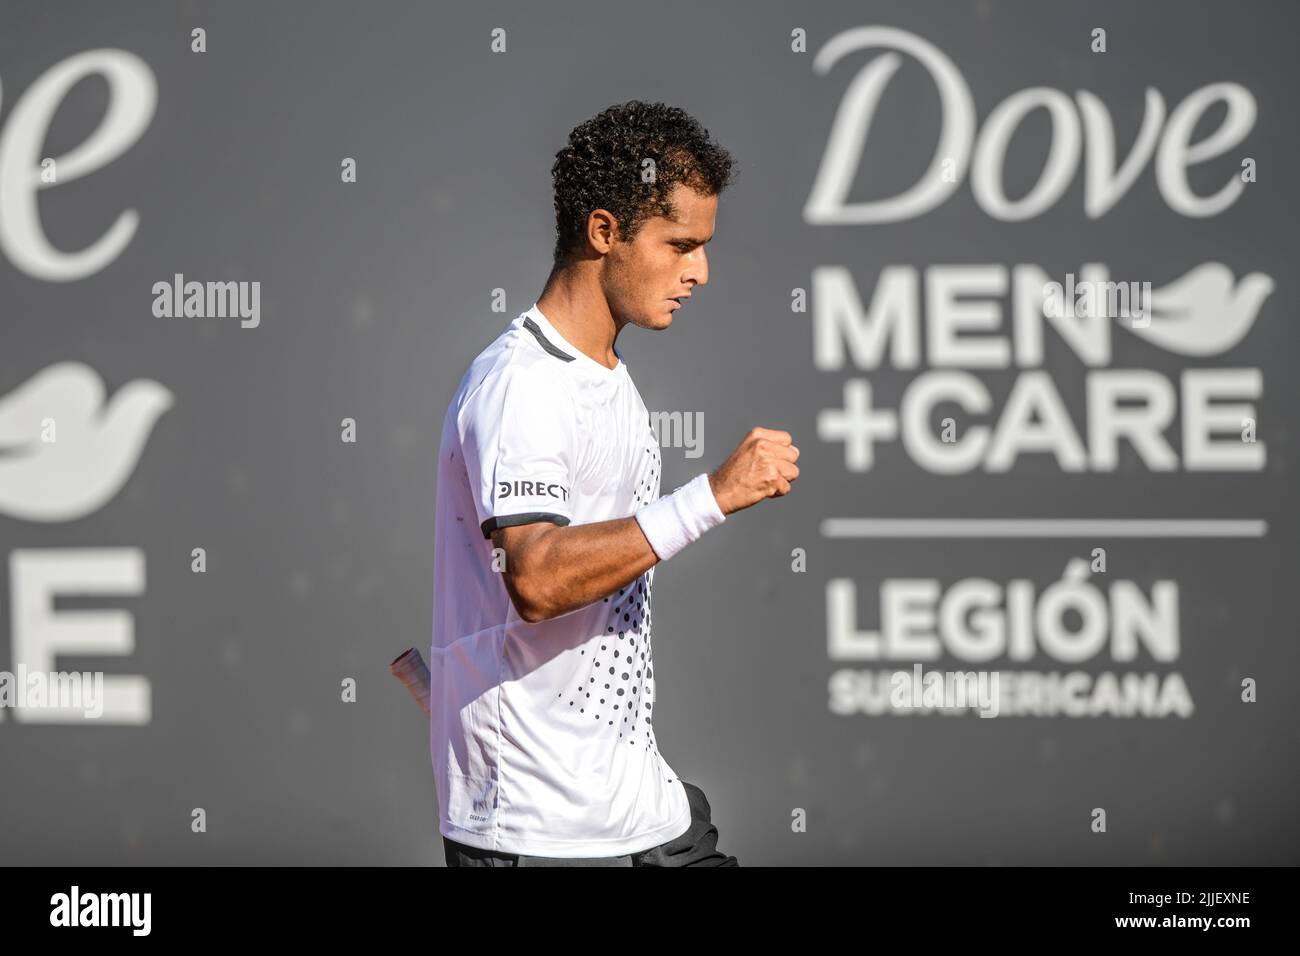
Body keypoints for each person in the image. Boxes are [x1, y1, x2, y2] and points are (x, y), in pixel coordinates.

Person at [430, 100, 799, 867]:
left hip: (643, 815)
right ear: (604, 232)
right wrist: (714, 496)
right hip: (544, 833)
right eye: (681, 245)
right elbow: (534, 577)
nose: (700, 270)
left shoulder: (606, 376)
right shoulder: (523, 385)